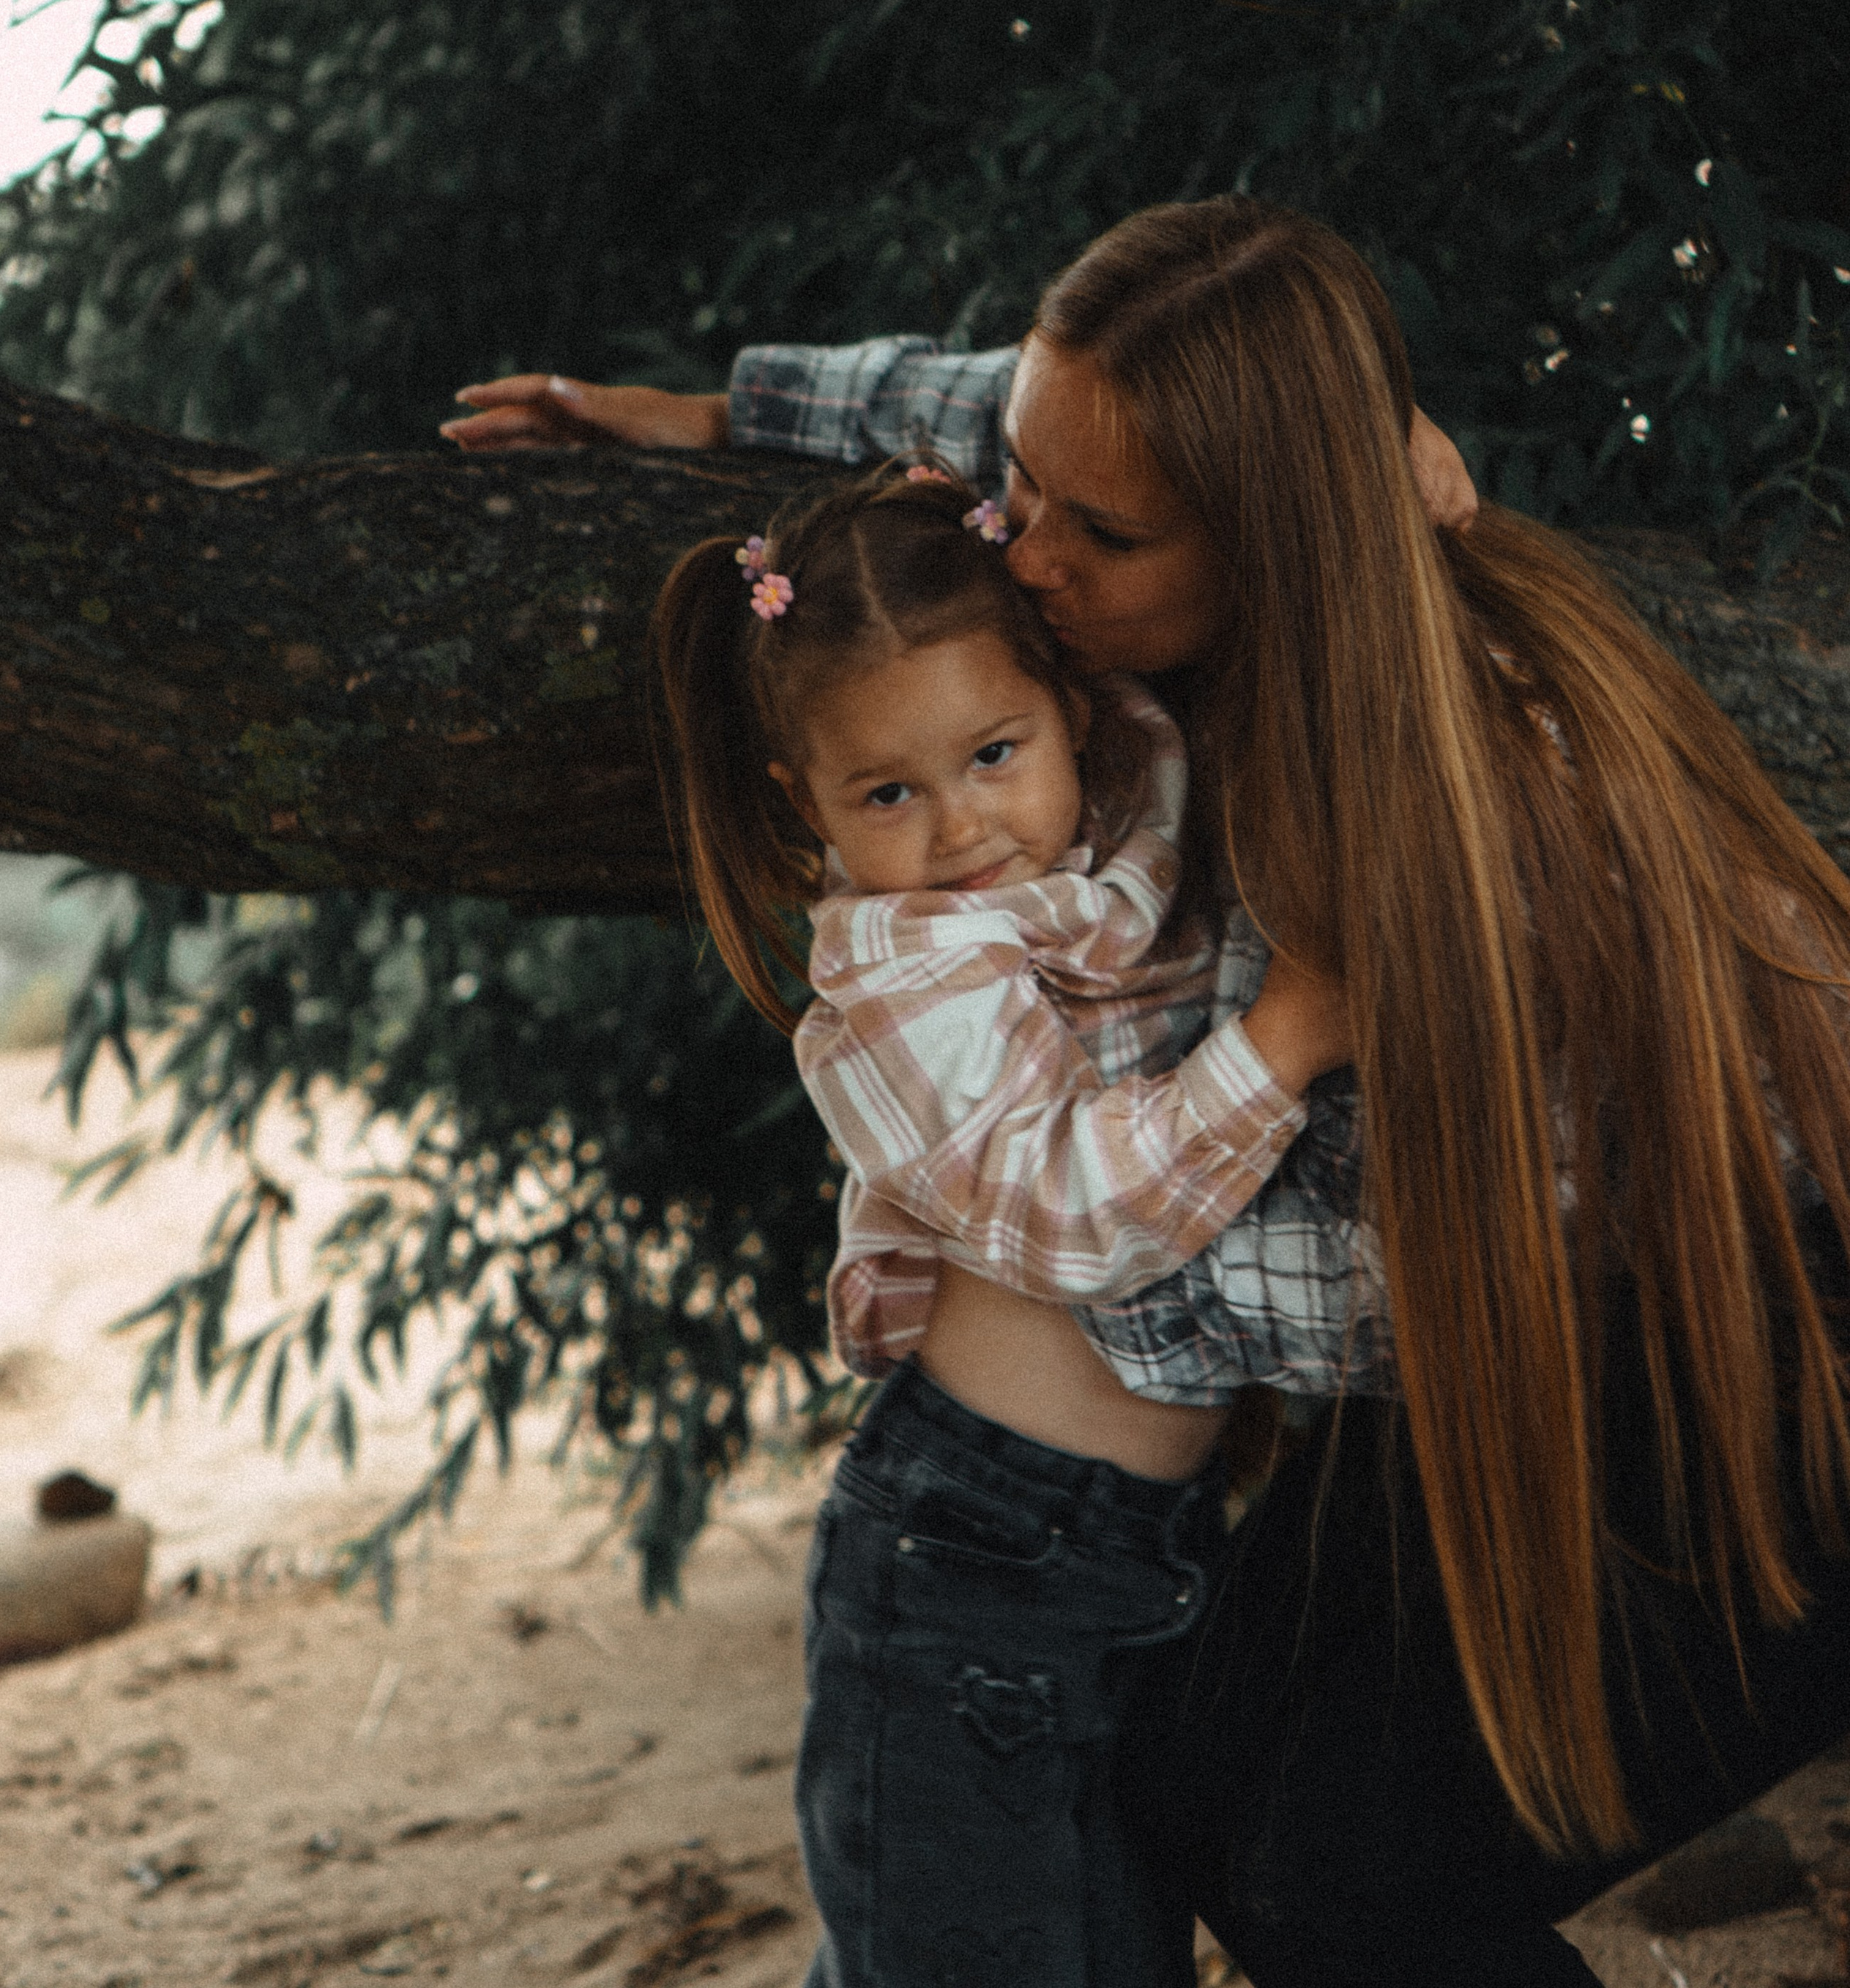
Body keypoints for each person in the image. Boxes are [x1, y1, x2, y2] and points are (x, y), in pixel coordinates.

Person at [447, 196, 1850, 1987]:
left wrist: (1071, 1291)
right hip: (1095, 1503)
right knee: (1168, 1795)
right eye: (1021, 489)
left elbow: (1451, 1279)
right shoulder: (1106, 589)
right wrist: (719, 413)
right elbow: (1026, 428)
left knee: (1344, 1882)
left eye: (1087, 531)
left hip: (1746, 1341)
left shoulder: (1457, 797)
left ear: (1285, 535)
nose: (1016, 554)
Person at [652, 459, 1348, 1988]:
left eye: (990, 753)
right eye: (887, 794)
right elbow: (1078, 1218)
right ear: (808, 806)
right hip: (968, 1559)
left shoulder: (1124, 793)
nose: (962, 827)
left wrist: (1403, 461)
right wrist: (1282, 1041)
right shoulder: (896, 985)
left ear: (1072, 705)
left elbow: (1143, 458)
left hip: (1142, 1542)